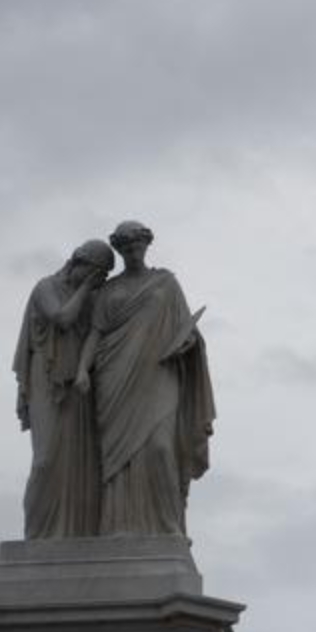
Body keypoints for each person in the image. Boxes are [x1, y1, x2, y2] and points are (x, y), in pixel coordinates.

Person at [75, 220, 215, 536]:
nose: (132, 252)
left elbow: (186, 328)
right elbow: (96, 333)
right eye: (125, 248)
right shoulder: (109, 290)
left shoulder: (165, 284)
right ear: (119, 250)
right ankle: (118, 526)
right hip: (114, 376)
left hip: (159, 373)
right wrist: (83, 369)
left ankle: (169, 527)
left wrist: (189, 342)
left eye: (136, 245)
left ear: (146, 245)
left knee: (160, 448)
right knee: (118, 459)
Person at [14, 240, 115, 538]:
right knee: (45, 460)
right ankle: (35, 535)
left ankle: (72, 534)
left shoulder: (94, 299)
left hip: (78, 385)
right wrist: (86, 289)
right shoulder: (45, 287)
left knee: (77, 464)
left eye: (103, 276)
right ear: (77, 262)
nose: (99, 280)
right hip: (46, 377)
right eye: (96, 272)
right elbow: (62, 318)